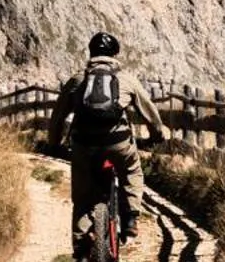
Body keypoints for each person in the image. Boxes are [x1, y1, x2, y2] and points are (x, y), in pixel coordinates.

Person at [48, 31, 168, 242]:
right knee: (132, 170)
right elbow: (150, 113)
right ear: (115, 55)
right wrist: (157, 135)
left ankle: (82, 247)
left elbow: (57, 117)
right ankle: (130, 218)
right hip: (118, 143)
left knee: (83, 195)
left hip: (84, 145)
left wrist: (53, 143)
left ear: (91, 53)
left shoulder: (77, 80)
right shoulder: (126, 79)